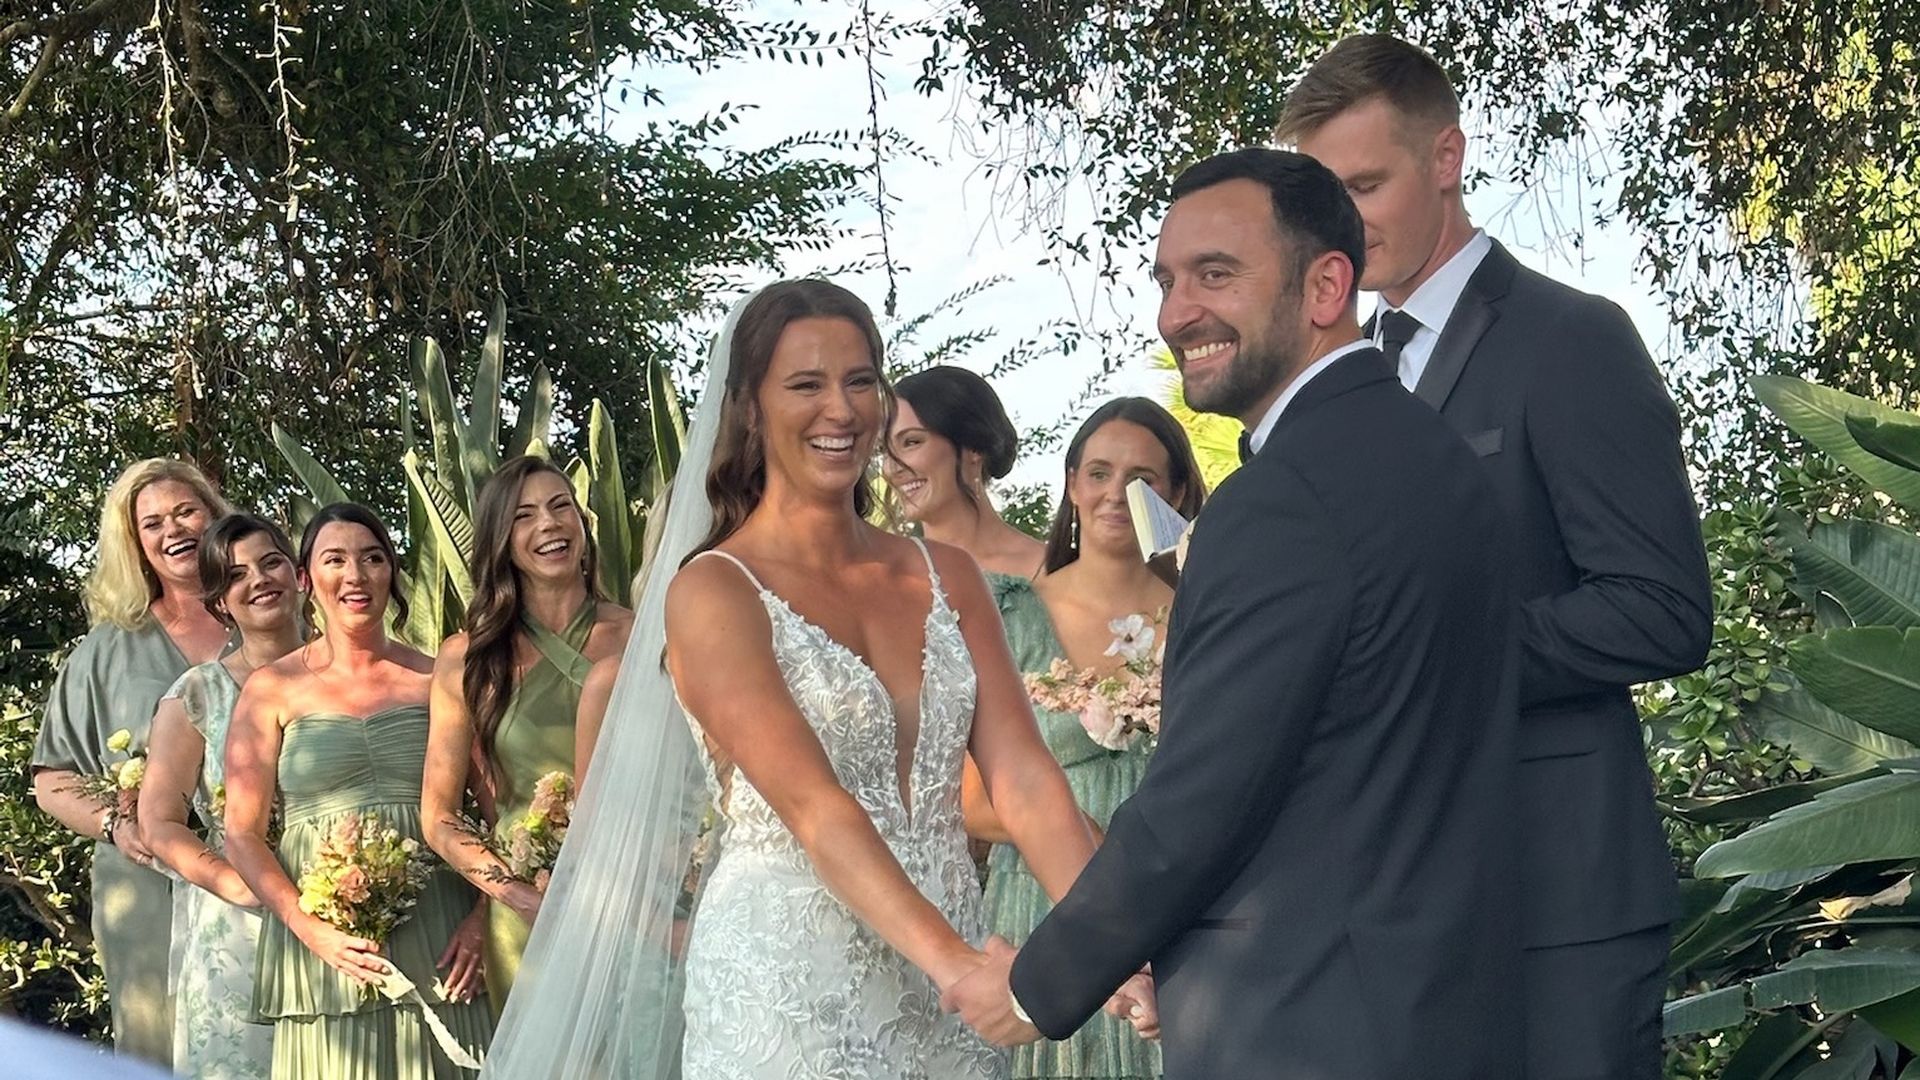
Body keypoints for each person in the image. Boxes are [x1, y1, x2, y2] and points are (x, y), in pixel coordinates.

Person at [943, 149, 1526, 1078]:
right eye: (1168, 281)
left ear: (1325, 285)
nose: (1177, 313)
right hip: (1444, 1003)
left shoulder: (1282, 498)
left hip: (1306, 1026)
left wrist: (1032, 987)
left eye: (1215, 274)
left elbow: (1205, 797)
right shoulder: (1440, 458)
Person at [481, 280, 1152, 1078]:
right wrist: (959, 968)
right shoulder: (714, 592)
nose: (841, 409)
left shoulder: (950, 576)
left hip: (950, 979)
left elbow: (1025, 778)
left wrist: (1110, 943)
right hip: (791, 988)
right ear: (751, 409)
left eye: (860, 381)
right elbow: (815, 808)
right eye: (806, 384)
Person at [1280, 35, 1712, 1078]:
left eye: (1364, 186)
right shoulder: (1331, 378)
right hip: (1385, 912)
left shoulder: (1571, 339)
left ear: (1447, 158)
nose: (1342, 225)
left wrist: (1423, 657)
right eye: (1323, 200)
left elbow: (1661, 609)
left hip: (1557, 899)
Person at [973, 396, 1204, 1080]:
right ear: (1072, 484)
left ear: (1176, 493)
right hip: (1043, 910)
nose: (1115, 493)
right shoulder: (1008, 613)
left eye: (1142, 478)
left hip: (1178, 901)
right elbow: (970, 799)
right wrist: (1084, 842)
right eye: (1098, 473)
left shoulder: (1208, 611)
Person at [223, 502, 493, 1078]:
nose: (355, 575)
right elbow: (242, 834)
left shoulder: (438, 676)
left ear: (391, 572)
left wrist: (483, 920)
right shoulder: (271, 689)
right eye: (335, 560)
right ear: (305, 579)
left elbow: (499, 811)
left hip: (443, 936)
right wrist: (308, 929)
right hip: (326, 945)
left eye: (372, 558)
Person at [31, 458, 233, 1064]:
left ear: (214, 516)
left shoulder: (272, 616)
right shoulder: (105, 650)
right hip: (148, 886)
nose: (174, 530)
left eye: (186, 511)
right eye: (153, 523)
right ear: (135, 544)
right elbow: (52, 780)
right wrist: (117, 824)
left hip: (270, 869)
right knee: (159, 1052)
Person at [422, 455, 633, 1014]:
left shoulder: (639, 634)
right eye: (524, 515)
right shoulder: (467, 658)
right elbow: (439, 816)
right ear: (501, 541)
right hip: (528, 915)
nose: (549, 523)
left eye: (561, 506)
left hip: (635, 901)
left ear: (582, 524)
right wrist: (512, 894)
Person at [139, 513, 303, 1079]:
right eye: (236, 576)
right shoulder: (199, 694)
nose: (259, 580)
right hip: (239, 933)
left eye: (272, 562)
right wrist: (236, 883)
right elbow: (160, 821)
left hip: (346, 904)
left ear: (299, 575)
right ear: (220, 604)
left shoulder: (350, 677)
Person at [887, 366, 1045, 579]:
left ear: (973, 447)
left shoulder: (1053, 570)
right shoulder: (886, 578)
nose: (891, 468)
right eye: (883, 450)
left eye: (911, 442)